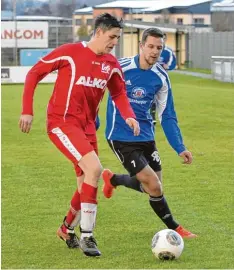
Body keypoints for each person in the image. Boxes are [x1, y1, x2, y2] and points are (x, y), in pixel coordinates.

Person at [19, 13, 140, 257]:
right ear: (98, 32)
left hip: (87, 127)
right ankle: (87, 236)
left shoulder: (111, 64)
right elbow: (34, 73)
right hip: (62, 123)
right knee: (94, 170)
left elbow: (118, 94)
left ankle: (66, 228)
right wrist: (27, 111)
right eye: (112, 37)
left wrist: (129, 115)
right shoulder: (70, 52)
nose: (114, 42)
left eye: (117, 37)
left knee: (85, 181)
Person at [102, 27, 197, 239]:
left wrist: (180, 147)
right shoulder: (121, 67)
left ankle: (113, 179)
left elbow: (168, 115)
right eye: (151, 46)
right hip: (120, 136)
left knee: (152, 187)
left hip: (146, 136)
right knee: (154, 185)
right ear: (141, 46)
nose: (155, 52)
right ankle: (175, 228)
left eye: (159, 48)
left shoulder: (161, 77)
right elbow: (98, 89)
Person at [151, 32, 177, 125]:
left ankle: (165, 118)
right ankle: (152, 117)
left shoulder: (168, 51)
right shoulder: (152, 49)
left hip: (163, 78)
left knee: (163, 97)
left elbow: (173, 63)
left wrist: (168, 66)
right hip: (151, 76)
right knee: (152, 96)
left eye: (164, 38)